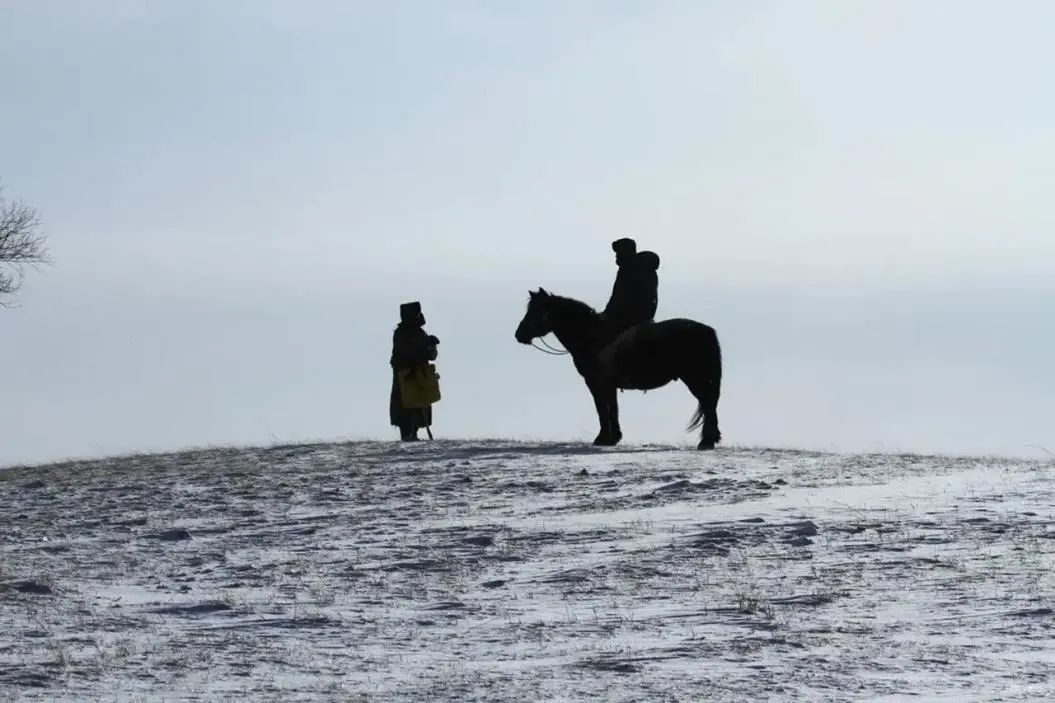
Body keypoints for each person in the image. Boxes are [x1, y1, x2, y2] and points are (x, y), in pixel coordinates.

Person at [389, 301, 440, 441]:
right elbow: (408, 352)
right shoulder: (401, 333)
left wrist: (431, 346)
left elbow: (430, 356)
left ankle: (413, 432)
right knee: (406, 408)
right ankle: (407, 433)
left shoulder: (420, 333)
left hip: (418, 378)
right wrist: (426, 345)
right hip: (406, 377)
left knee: (417, 408)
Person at [601, 237, 660, 337]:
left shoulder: (632, 269)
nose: (616, 256)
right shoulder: (631, 268)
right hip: (639, 317)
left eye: (618, 252)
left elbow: (620, 297)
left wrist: (608, 313)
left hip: (632, 319)